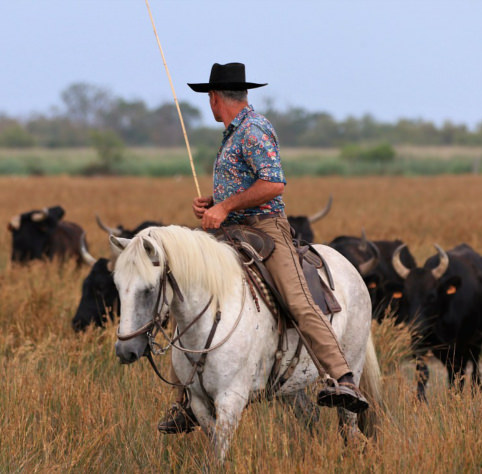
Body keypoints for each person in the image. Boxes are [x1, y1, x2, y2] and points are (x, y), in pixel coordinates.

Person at [157, 62, 369, 435]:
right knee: (188, 292)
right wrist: (214, 202)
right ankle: (187, 400)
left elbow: (273, 184)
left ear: (214, 98)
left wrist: (225, 206)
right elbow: (246, 184)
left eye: (209, 97)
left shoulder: (253, 129)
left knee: (299, 300)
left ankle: (342, 378)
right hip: (231, 230)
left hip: (265, 231)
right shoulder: (232, 132)